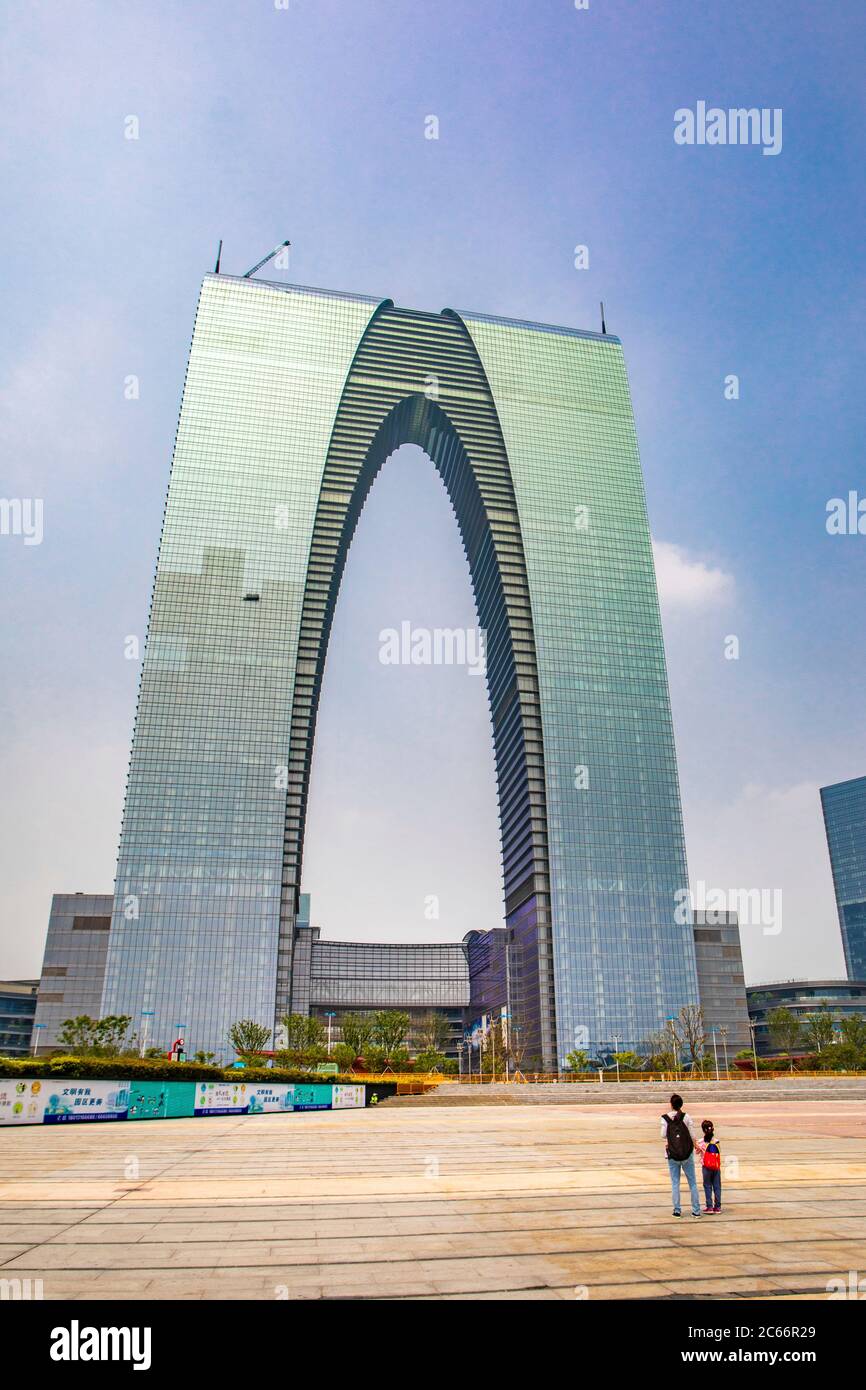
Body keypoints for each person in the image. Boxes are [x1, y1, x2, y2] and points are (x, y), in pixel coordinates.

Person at [660, 1093, 702, 1217]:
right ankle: (696, 1210)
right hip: (686, 1153)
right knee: (692, 1182)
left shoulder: (665, 1118)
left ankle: (677, 1210)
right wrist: (696, 1145)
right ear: (681, 1104)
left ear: (671, 1104)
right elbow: (692, 1135)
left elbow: (663, 1135)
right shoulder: (686, 1117)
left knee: (675, 1183)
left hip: (672, 1154)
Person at [697, 1119, 722, 1213]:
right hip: (716, 1166)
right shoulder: (716, 1141)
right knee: (717, 1186)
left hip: (706, 1166)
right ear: (713, 1129)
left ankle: (709, 1207)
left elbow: (697, 1152)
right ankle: (718, 1207)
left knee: (707, 1186)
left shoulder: (701, 1142)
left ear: (703, 1130)